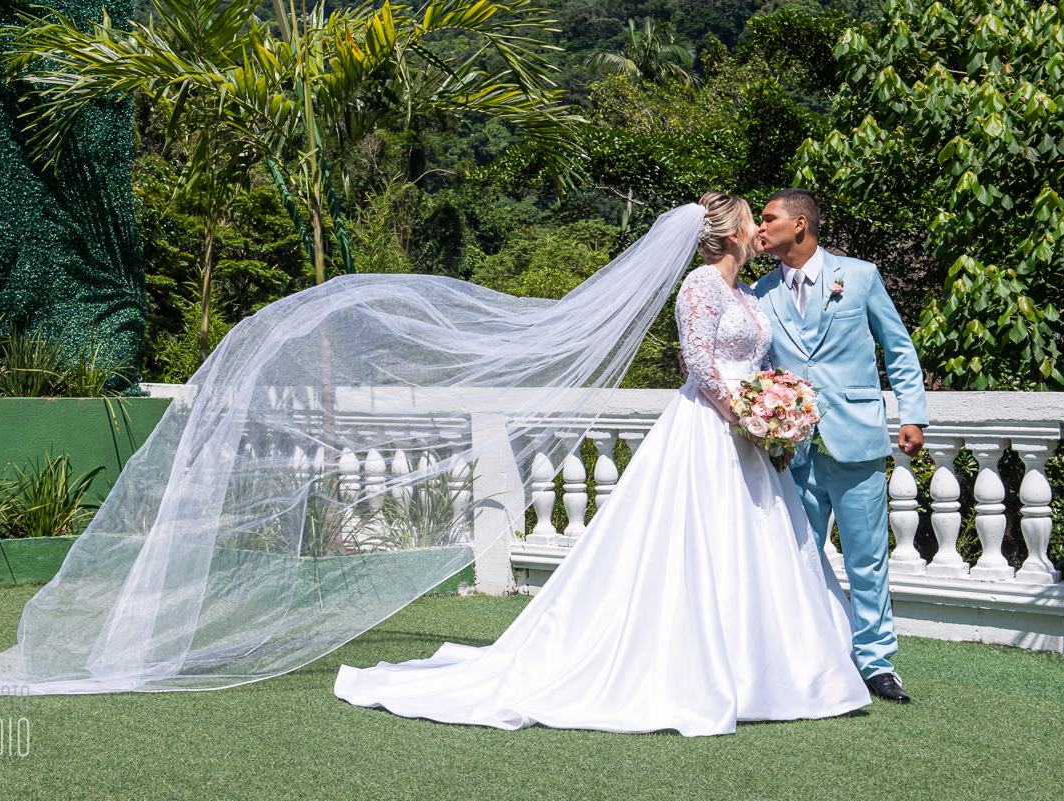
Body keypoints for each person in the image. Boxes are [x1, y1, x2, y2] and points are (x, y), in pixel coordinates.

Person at [333, 192, 872, 736]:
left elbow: (753, 361)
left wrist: (774, 409)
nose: (759, 227)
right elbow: (702, 364)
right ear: (733, 232)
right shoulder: (700, 286)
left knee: (758, 546)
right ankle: (700, 669)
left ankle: (770, 668)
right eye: (753, 217)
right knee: (701, 543)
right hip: (710, 430)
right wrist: (745, 416)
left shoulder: (750, 295)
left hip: (750, 443)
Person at [750, 188, 928, 703]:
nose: (761, 227)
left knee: (867, 558)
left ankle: (876, 662)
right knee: (797, 554)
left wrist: (912, 415)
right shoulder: (760, 292)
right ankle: (813, 653)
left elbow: (899, 348)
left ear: (800, 224)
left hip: (856, 439)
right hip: (791, 449)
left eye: (769, 218)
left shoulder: (861, 276)